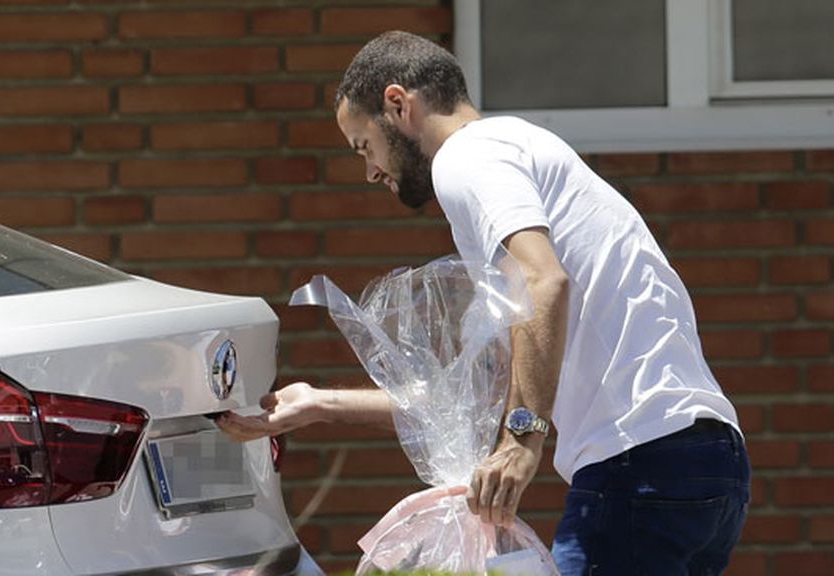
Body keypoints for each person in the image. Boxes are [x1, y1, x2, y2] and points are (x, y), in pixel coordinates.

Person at [218, 30, 750, 575]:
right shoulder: (519, 153)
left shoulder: (468, 157)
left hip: (638, 468)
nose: (370, 171)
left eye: (365, 146)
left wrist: (522, 439)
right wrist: (319, 404)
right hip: (708, 463)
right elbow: (471, 401)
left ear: (398, 105)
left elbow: (545, 281)